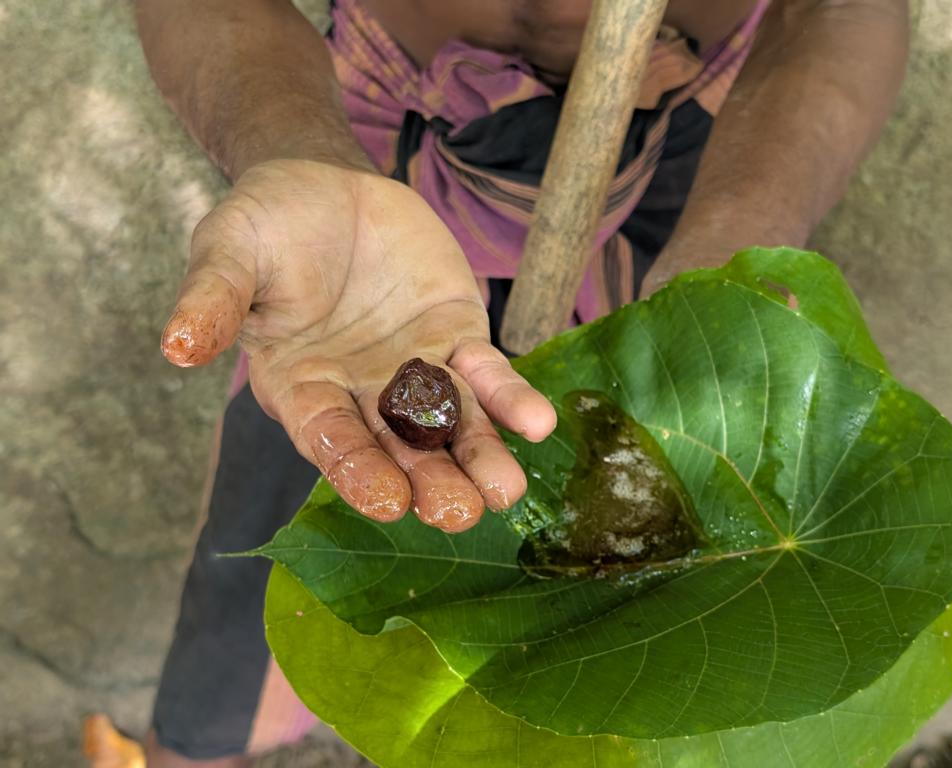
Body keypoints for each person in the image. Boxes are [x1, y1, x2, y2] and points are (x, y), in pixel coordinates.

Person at [85, 0, 909, 765]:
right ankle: (184, 753)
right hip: (365, 217)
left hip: (704, 173)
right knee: (285, 553)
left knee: (618, 603)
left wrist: (736, 248)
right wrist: (296, 155)